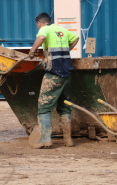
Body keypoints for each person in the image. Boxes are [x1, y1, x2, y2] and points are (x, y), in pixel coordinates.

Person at [26, 13, 79, 149]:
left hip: (54, 73)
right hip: (67, 74)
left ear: (39, 23)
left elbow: (42, 37)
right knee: (65, 106)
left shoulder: (45, 29)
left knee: (44, 105)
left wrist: (32, 51)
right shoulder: (62, 30)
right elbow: (76, 37)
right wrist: (67, 50)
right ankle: (68, 140)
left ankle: (45, 139)